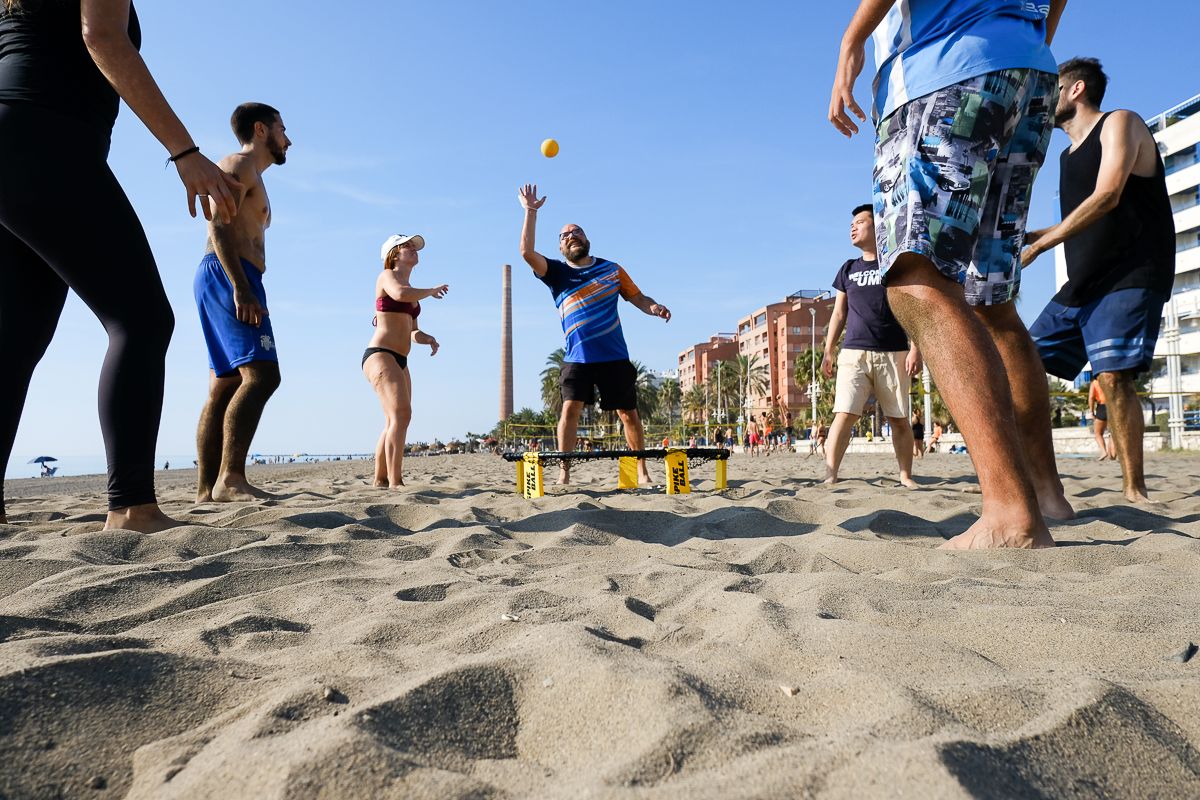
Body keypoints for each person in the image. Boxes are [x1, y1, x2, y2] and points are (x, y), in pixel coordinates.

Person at [829, 0, 1072, 548]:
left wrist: (852, 40)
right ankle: (1047, 492)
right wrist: (1027, 41)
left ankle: (1011, 511)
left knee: (915, 279)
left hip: (943, 65)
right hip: (1029, 75)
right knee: (994, 302)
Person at [0, 0, 239, 531]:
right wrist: (184, 151)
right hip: (49, 140)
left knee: (15, 339)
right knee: (142, 320)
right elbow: (103, 36)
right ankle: (132, 506)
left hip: (16, 140)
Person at [1024, 58, 1174, 503]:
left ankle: (1134, 489)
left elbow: (1107, 196)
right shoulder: (1066, 156)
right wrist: (1025, 237)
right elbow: (1076, 218)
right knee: (1023, 360)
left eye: (1052, 89)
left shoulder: (1120, 122)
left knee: (1113, 376)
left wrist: (1040, 247)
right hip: (1082, 282)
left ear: (1076, 89)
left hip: (1131, 272)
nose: (1043, 100)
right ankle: (1041, 478)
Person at [518, 183, 671, 485]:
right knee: (569, 409)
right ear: (561, 247)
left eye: (577, 232)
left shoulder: (612, 270)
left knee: (628, 414)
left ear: (587, 239)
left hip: (614, 356)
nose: (572, 236)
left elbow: (637, 297)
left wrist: (653, 307)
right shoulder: (557, 273)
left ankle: (641, 471)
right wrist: (531, 212)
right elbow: (525, 252)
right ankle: (564, 473)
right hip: (578, 357)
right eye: (565, 235)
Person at [193, 103, 292, 503]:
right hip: (229, 273)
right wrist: (241, 287)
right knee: (264, 376)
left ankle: (205, 491)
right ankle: (231, 478)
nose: (289, 139)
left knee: (224, 385)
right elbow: (217, 224)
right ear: (261, 130)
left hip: (227, 275)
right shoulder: (239, 165)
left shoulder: (254, 175)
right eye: (283, 129)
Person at [821, 205, 922, 487]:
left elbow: (911, 310)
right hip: (854, 352)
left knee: (899, 418)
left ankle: (905, 476)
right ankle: (831, 475)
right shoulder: (848, 269)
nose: (853, 227)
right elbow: (839, 313)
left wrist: (916, 348)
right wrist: (828, 350)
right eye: (851, 223)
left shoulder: (896, 265)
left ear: (877, 227)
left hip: (894, 352)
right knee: (844, 414)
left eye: (860, 222)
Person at [363, 233, 447, 487]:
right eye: (407, 246)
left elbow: (412, 331)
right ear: (393, 254)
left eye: (414, 246)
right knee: (401, 414)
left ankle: (380, 479)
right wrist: (430, 291)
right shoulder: (387, 276)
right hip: (381, 354)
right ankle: (395, 482)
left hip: (401, 358)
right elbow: (399, 293)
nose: (413, 249)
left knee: (394, 419)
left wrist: (428, 338)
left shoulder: (413, 293)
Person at [1088, 377, 1115, 461]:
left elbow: (1091, 397)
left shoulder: (1095, 382)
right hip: (1114, 406)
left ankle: (1103, 451)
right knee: (1113, 433)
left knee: (1098, 433)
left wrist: (1091, 412)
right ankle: (1113, 455)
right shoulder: (1111, 379)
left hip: (1102, 406)